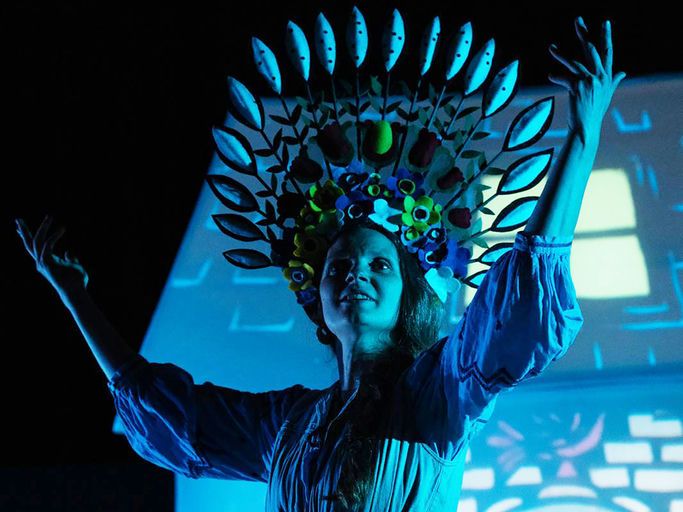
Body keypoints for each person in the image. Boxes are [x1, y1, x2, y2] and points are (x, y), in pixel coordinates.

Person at [15, 14, 624, 512]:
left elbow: (511, 311)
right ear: (317, 298)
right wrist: (73, 293)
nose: (356, 275)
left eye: (380, 267)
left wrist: (581, 142)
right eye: (338, 268)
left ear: (408, 295)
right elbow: (169, 414)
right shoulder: (287, 423)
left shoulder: (435, 392)